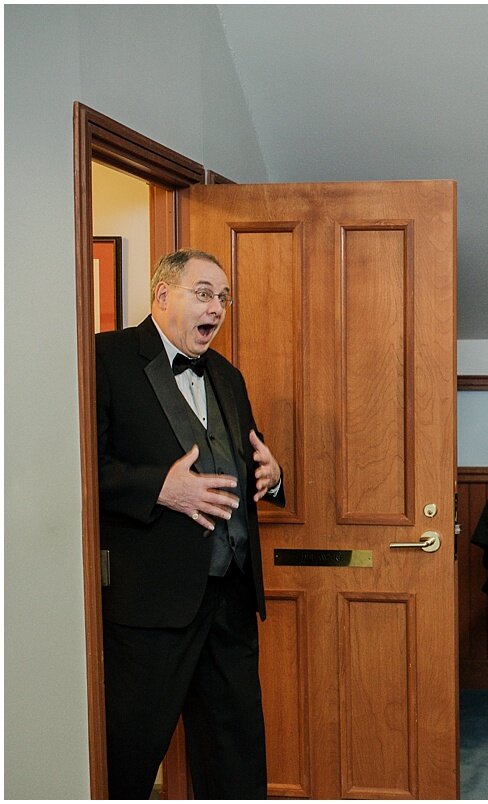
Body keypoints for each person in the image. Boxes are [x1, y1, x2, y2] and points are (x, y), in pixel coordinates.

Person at [96, 248, 285, 798]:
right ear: (162, 294)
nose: (217, 308)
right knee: (128, 756)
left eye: (223, 297)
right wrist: (161, 487)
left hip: (230, 598)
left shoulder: (227, 375)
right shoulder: (104, 358)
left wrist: (273, 477)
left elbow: (247, 454)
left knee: (236, 756)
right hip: (150, 604)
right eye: (204, 293)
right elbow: (80, 469)